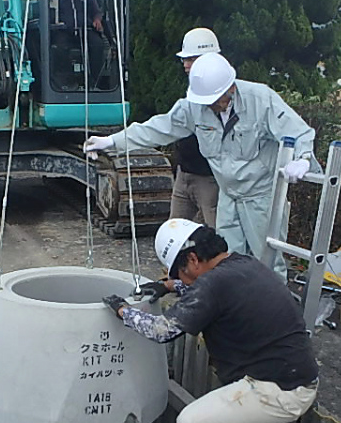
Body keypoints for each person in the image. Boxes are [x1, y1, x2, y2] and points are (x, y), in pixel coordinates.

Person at [102, 219, 319, 423]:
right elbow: (212, 293)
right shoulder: (243, 265)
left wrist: (123, 310)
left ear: (193, 259)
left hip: (273, 389)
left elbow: (161, 330)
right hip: (296, 380)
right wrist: (168, 286)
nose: (177, 278)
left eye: (177, 272)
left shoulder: (213, 284)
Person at [84, 52, 316, 275]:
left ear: (231, 88)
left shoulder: (261, 100)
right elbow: (158, 128)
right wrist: (112, 141)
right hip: (229, 195)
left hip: (262, 197)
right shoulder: (194, 106)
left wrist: (303, 159)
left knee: (268, 264)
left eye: (215, 100)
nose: (210, 106)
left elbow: (298, 132)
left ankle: (272, 313)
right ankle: (235, 311)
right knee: (229, 261)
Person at [170, 28, 221, 228]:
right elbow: (167, 126)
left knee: (220, 236)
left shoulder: (223, 90)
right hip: (184, 174)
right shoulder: (192, 89)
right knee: (174, 232)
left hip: (209, 179)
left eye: (191, 59)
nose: (185, 65)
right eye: (184, 59)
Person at [49, 0, 106, 87]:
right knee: (58, 48)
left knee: (98, 45)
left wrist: (97, 19)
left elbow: (97, 11)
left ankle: (93, 82)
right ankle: (65, 83)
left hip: (85, 30)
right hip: (63, 31)